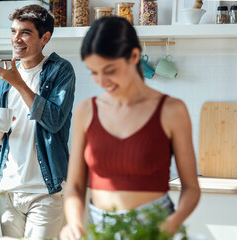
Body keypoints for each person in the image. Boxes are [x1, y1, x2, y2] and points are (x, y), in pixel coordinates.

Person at [60, 17, 200, 240]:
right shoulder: (86, 110)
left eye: (110, 70)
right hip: (99, 227)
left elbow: (191, 188)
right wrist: (74, 224)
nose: (101, 81)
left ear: (134, 56)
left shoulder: (172, 110)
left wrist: (171, 224)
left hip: (155, 225)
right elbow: (74, 187)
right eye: (94, 72)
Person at [0, 4, 76, 239]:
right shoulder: (3, 80)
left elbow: (55, 120)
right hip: (9, 188)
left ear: (44, 37)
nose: (17, 38)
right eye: (13, 31)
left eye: (25, 32)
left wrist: (18, 81)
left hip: (45, 190)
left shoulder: (60, 71)